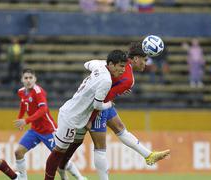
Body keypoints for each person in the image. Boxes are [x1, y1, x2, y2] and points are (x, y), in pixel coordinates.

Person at [58, 42, 170, 180]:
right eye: (144, 60)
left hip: (100, 102)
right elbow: (102, 100)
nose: (145, 64)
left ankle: (148, 155)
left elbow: (90, 65)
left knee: (120, 128)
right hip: (95, 107)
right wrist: (90, 119)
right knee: (100, 147)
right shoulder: (128, 79)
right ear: (135, 59)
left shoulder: (118, 62)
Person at [44, 50, 127, 180]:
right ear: (111, 64)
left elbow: (87, 63)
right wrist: (109, 104)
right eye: (121, 66)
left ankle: (63, 169)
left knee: (71, 146)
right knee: (58, 152)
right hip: (72, 118)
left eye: (125, 66)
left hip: (75, 113)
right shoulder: (106, 81)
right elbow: (97, 105)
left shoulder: (99, 66)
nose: (123, 70)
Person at [13, 69, 86, 180]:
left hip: (49, 130)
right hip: (35, 130)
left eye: (30, 78)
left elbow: (43, 109)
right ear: (22, 79)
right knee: (18, 152)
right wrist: (20, 119)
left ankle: (80, 178)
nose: (28, 80)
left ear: (35, 79)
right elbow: (24, 105)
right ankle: (22, 178)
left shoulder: (38, 92)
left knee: (60, 159)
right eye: (26, 78)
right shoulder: (21, 92)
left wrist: (26, 120)